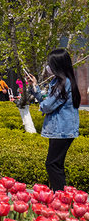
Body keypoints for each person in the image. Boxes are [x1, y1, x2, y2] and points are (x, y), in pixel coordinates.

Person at [27, 48, 81, 192]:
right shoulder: (60, 81)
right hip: (60, 130)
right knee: (56, 164)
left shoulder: (64, 83)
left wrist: (39, 97)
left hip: (62, 130)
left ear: (57, 65)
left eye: (50, 64)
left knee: (52, 164)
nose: (48, 68)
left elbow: (47, 106)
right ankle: (61, 195)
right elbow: (46, 102)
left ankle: (61, 197)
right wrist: (35, 87)